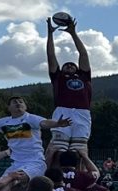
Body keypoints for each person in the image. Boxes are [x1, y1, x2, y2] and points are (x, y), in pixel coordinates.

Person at [45, 16, 93, 164]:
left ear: (77, 69)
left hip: (82, 112)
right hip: (62, 110)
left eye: (73, 65)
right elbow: (51, 55)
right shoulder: (58, 77)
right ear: (62, 69)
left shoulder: (84, 76)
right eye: (67, 65)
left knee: (80, 151)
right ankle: (48, 173)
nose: (70, 66)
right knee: (56, 149)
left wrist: (73, 33)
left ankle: (80, 175)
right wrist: (50, 34)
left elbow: (83, 54)